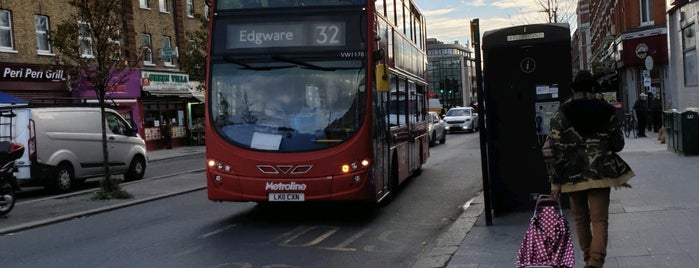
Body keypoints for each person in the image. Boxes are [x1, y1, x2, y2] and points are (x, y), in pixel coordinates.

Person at [547, 70, 635, 268]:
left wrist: (555, 182)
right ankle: (595, 263)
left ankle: (588, 258)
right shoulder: (606, 110)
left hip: (572, 175)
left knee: (580, 219)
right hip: (601, 173)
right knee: (599, 220)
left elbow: (557, 151)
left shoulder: (560, 114)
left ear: (574, 89)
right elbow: (618, 144)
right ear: (593, 88)